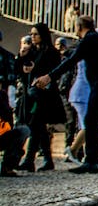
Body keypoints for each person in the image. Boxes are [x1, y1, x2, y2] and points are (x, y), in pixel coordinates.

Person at [32, 16, 98, 173]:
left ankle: (91, 161)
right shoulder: (96, 39)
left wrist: (48, 76)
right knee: (93, 119)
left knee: (91, 119)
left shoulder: (89, 40)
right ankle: (96, 160)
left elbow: (71, 61)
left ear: (79, 26)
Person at [17, 23, 65, 172]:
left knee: (36, 124)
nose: (32, 37)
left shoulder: (51, 52)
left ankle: (30, 159)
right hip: (31, 93)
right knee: (38, 127)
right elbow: (21, 69)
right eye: (31, 34)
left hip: (44, 95)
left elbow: (53, 71)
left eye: (35, 34)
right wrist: (21, 57)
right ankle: (46, 159)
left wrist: (35, 69)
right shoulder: (32, 51)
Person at [0, 82, 29, 177]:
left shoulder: (2, 95)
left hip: (2, 134)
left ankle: (8, 167)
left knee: (23, 130)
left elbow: (8, 116)